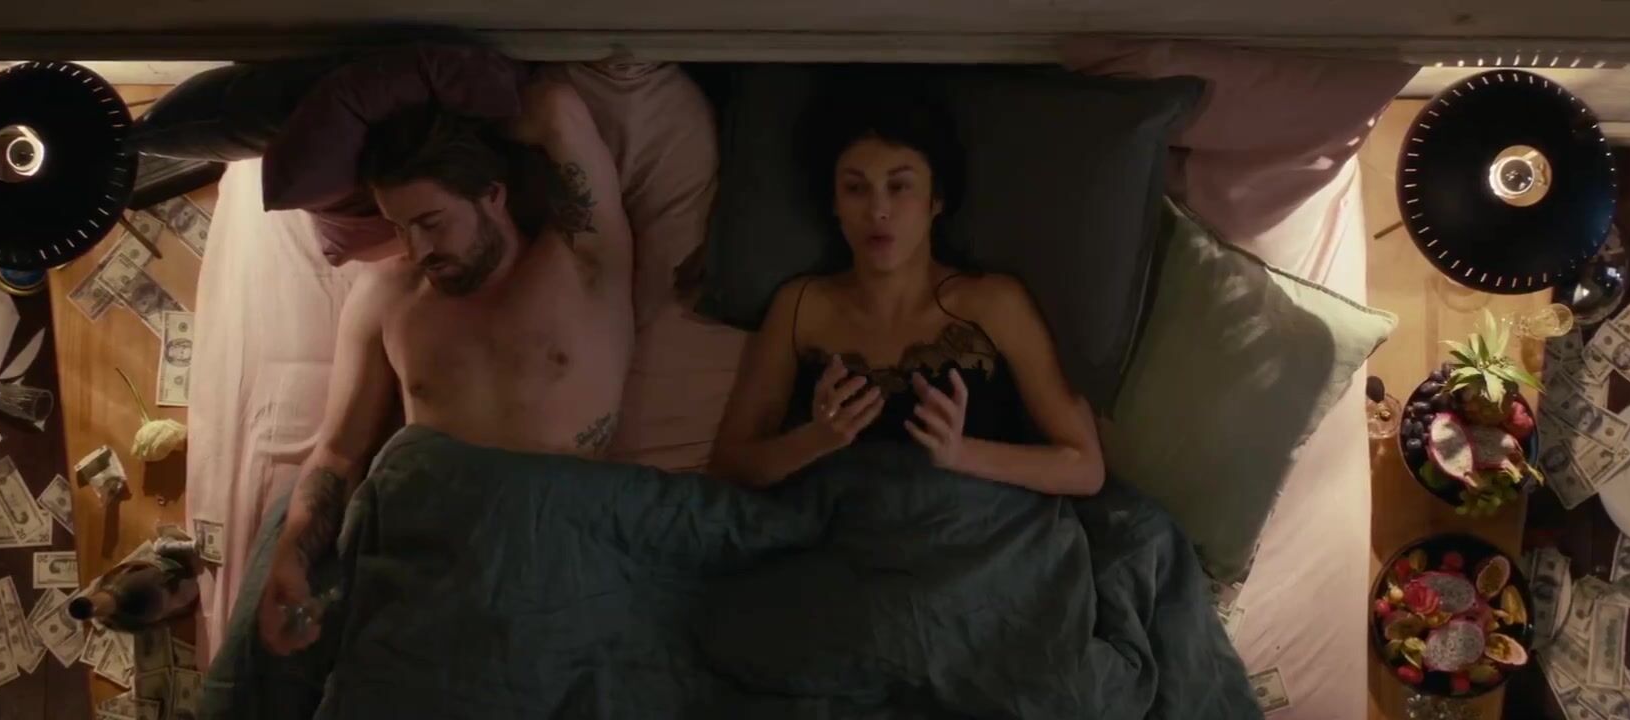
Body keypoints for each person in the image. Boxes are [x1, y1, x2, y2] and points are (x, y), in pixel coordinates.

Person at [256, 80, 634, 655]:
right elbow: (337, 454)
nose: (416, 249)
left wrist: (455, 122)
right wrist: (291, 558)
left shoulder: (582, 257)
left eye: (431, 222)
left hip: (555, 551)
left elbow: (557, 107)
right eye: (398, 227)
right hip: (427, 557)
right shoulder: (388, 297)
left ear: (493, 195)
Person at [708, 89, 1103, 495]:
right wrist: (813, 441)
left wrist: (961, 454)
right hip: (837, 520)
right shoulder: (801, 306)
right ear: (834, 204)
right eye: (856, 189)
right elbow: (728, 465)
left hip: (970, 522)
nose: (878, 211)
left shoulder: (993, 303)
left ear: (936, 199)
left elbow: (1085, 467)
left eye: (899, 187)